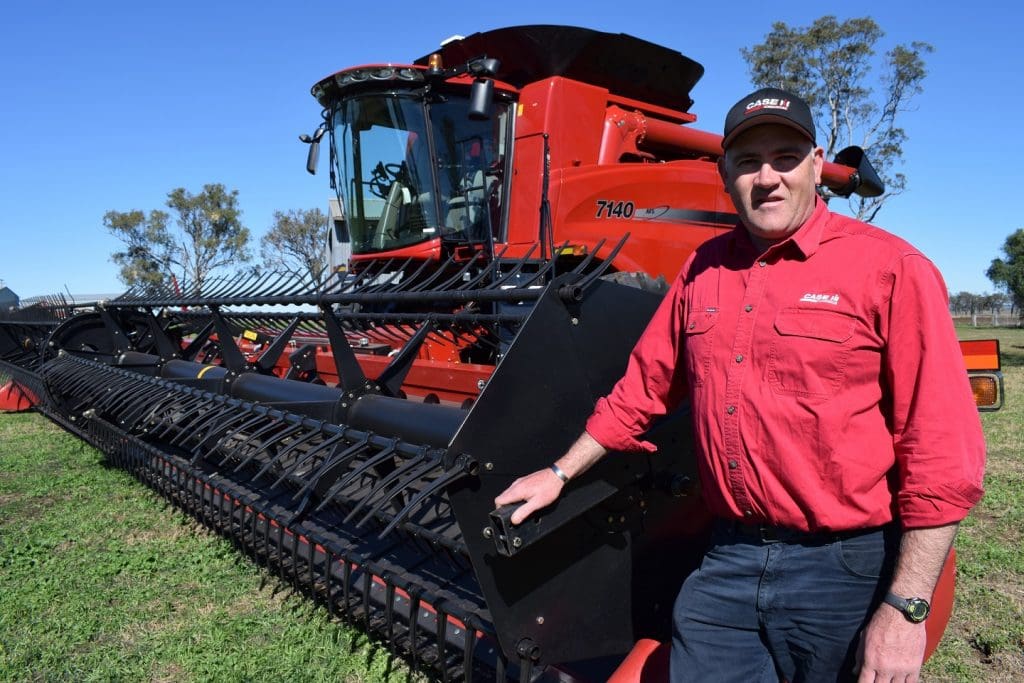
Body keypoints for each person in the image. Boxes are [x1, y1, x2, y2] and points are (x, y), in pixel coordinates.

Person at [494, 87, 986, 682]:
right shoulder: (703, 270)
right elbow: (641, 391)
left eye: (784, 157)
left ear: (816, 162)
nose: (767, 178)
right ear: (725, 171)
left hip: (842, 568)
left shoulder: (892, 270)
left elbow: (941, 453)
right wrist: (559, 472)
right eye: (749, 162)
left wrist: (905, 609)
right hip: (728, 560)